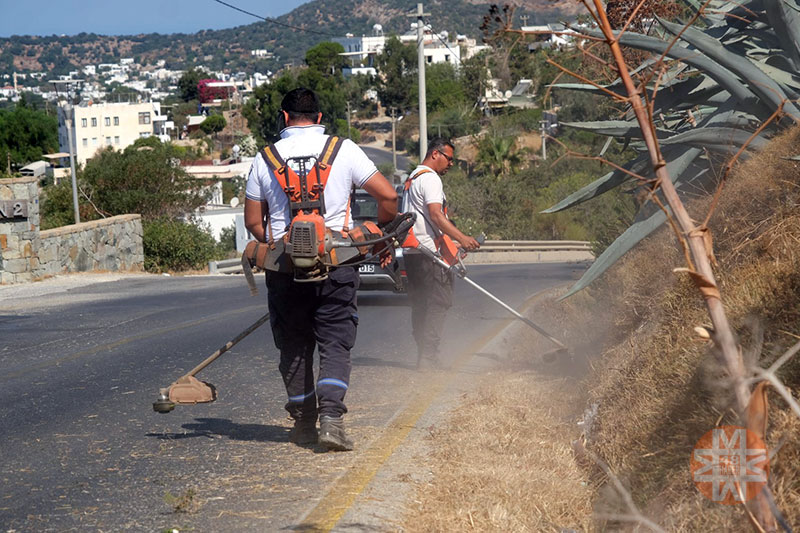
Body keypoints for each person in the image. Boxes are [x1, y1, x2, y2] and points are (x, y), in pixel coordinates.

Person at [244, 88, 397, 451]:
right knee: (334, 341)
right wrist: (379, 233)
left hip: (284, 270)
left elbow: (253, 222)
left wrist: (280, 244)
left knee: (294, 346)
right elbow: (388, 197)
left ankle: (304, 424)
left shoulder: (263, 159)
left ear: (284, 117)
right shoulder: (344, 150)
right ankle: (332, 421)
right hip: (338, 263)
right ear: (318, 117)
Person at [402, 138, 480, 369]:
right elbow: (436, 216)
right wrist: (462, 238)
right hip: (428, 255)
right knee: (439, 302)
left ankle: (423, 356)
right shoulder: (431, 179)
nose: (451, 164)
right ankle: (429, 357)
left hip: (413, 252)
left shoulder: (412, 178)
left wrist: (452, 248)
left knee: (421, 304)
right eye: (449, 159)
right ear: (435, 154)